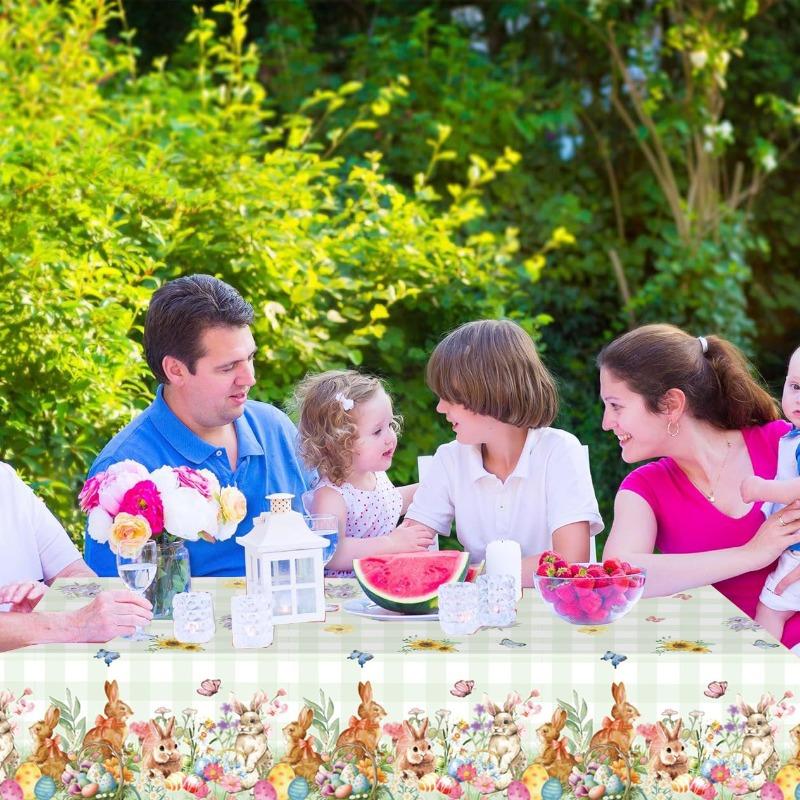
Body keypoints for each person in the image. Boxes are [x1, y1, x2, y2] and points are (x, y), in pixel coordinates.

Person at [84, 275, 311, 577]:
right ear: (175, 370)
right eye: (228, 367)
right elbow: (116, 602)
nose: (249, 378)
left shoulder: (276, 428)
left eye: (250, 358)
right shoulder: (120, 472)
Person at [598, 323, 800, 650]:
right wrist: (750, 555)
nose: (607, 422)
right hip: (718, 674)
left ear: (671, 405)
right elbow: (620, 577)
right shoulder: (644, 489)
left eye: (616, 406)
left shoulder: (784, 443)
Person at [403, 319, 603, 585]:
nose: (440, 408)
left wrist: (473, 575)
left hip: (552, 614)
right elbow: (409, 544)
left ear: (490, 391)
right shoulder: (450, 459)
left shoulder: (559, 451)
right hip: (477, 616)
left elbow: (570, 559)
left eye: (450, 396)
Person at [295, 370, 434, 576]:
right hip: (345, 594)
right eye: (377, 431)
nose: (390, 438)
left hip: (377, 583)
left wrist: (434, 488)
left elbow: (390, 503)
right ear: (339, 444)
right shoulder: (330, 495)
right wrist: (391, 543)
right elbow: (332, 553)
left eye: (390, 425)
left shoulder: (374, 476)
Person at [0, 461, 152, 650]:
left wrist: (55, 600)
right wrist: (72, 624)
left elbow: (76, 574)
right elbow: (77, 623)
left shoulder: (6, 482)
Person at [740, 346, 800, 642]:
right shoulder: (791, 436)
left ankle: (765, 676)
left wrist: (760, 489)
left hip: (796, 555)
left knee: (770, 610)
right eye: (795, 386)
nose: (799, 397)